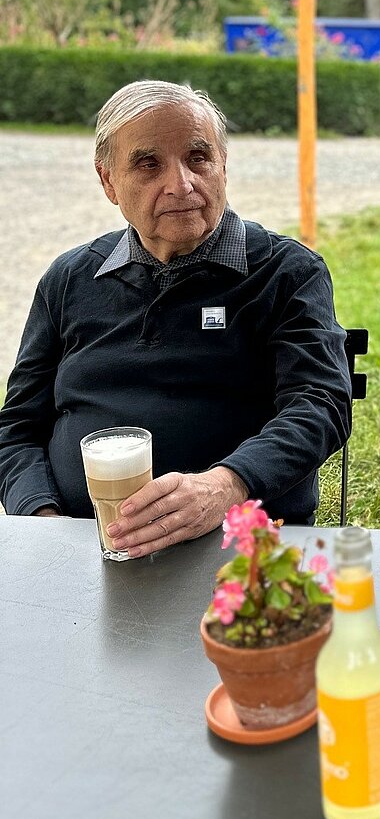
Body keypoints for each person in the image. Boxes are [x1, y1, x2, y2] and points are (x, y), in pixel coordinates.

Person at [0, 80, 352, 555]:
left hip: (238, 543)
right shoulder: (70, 279)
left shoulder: (286, 272)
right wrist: (44, 520)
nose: (181, 184)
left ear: (223, 166)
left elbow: (320, 403)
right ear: (108, 181)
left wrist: (227, 485)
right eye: (149, 164)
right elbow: (18, 427)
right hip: (78, 545)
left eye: (198, 158)